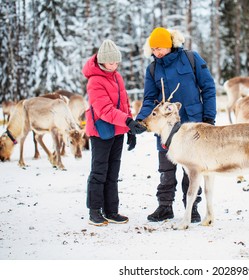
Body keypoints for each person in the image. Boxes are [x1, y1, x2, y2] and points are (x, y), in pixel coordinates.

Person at [136, 27, 217, 223]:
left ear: (171, 44)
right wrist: (140, 119)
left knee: (192, 167)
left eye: (161, 48)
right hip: (165, 127)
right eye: (154, 49)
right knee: (166, 167)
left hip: (193, 123)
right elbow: (149, 98)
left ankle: (192, 207)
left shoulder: (191, 58)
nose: (158, 52)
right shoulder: (153, 69)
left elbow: (208, 88)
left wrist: (209, 117)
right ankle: (164, 207)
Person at [82, 39, 147, 226]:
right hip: (101, 131)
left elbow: (124, 104)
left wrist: (130, 129)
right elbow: (104, 110)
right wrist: (127, 121)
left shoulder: (117, 76)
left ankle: (111, 210)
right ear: (102, 61)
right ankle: (94, 210)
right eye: (111, 62)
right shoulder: (95, 81)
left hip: (117, 130)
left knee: (113, 172)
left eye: (117, 62)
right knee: (99, 171)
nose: (115, 65)